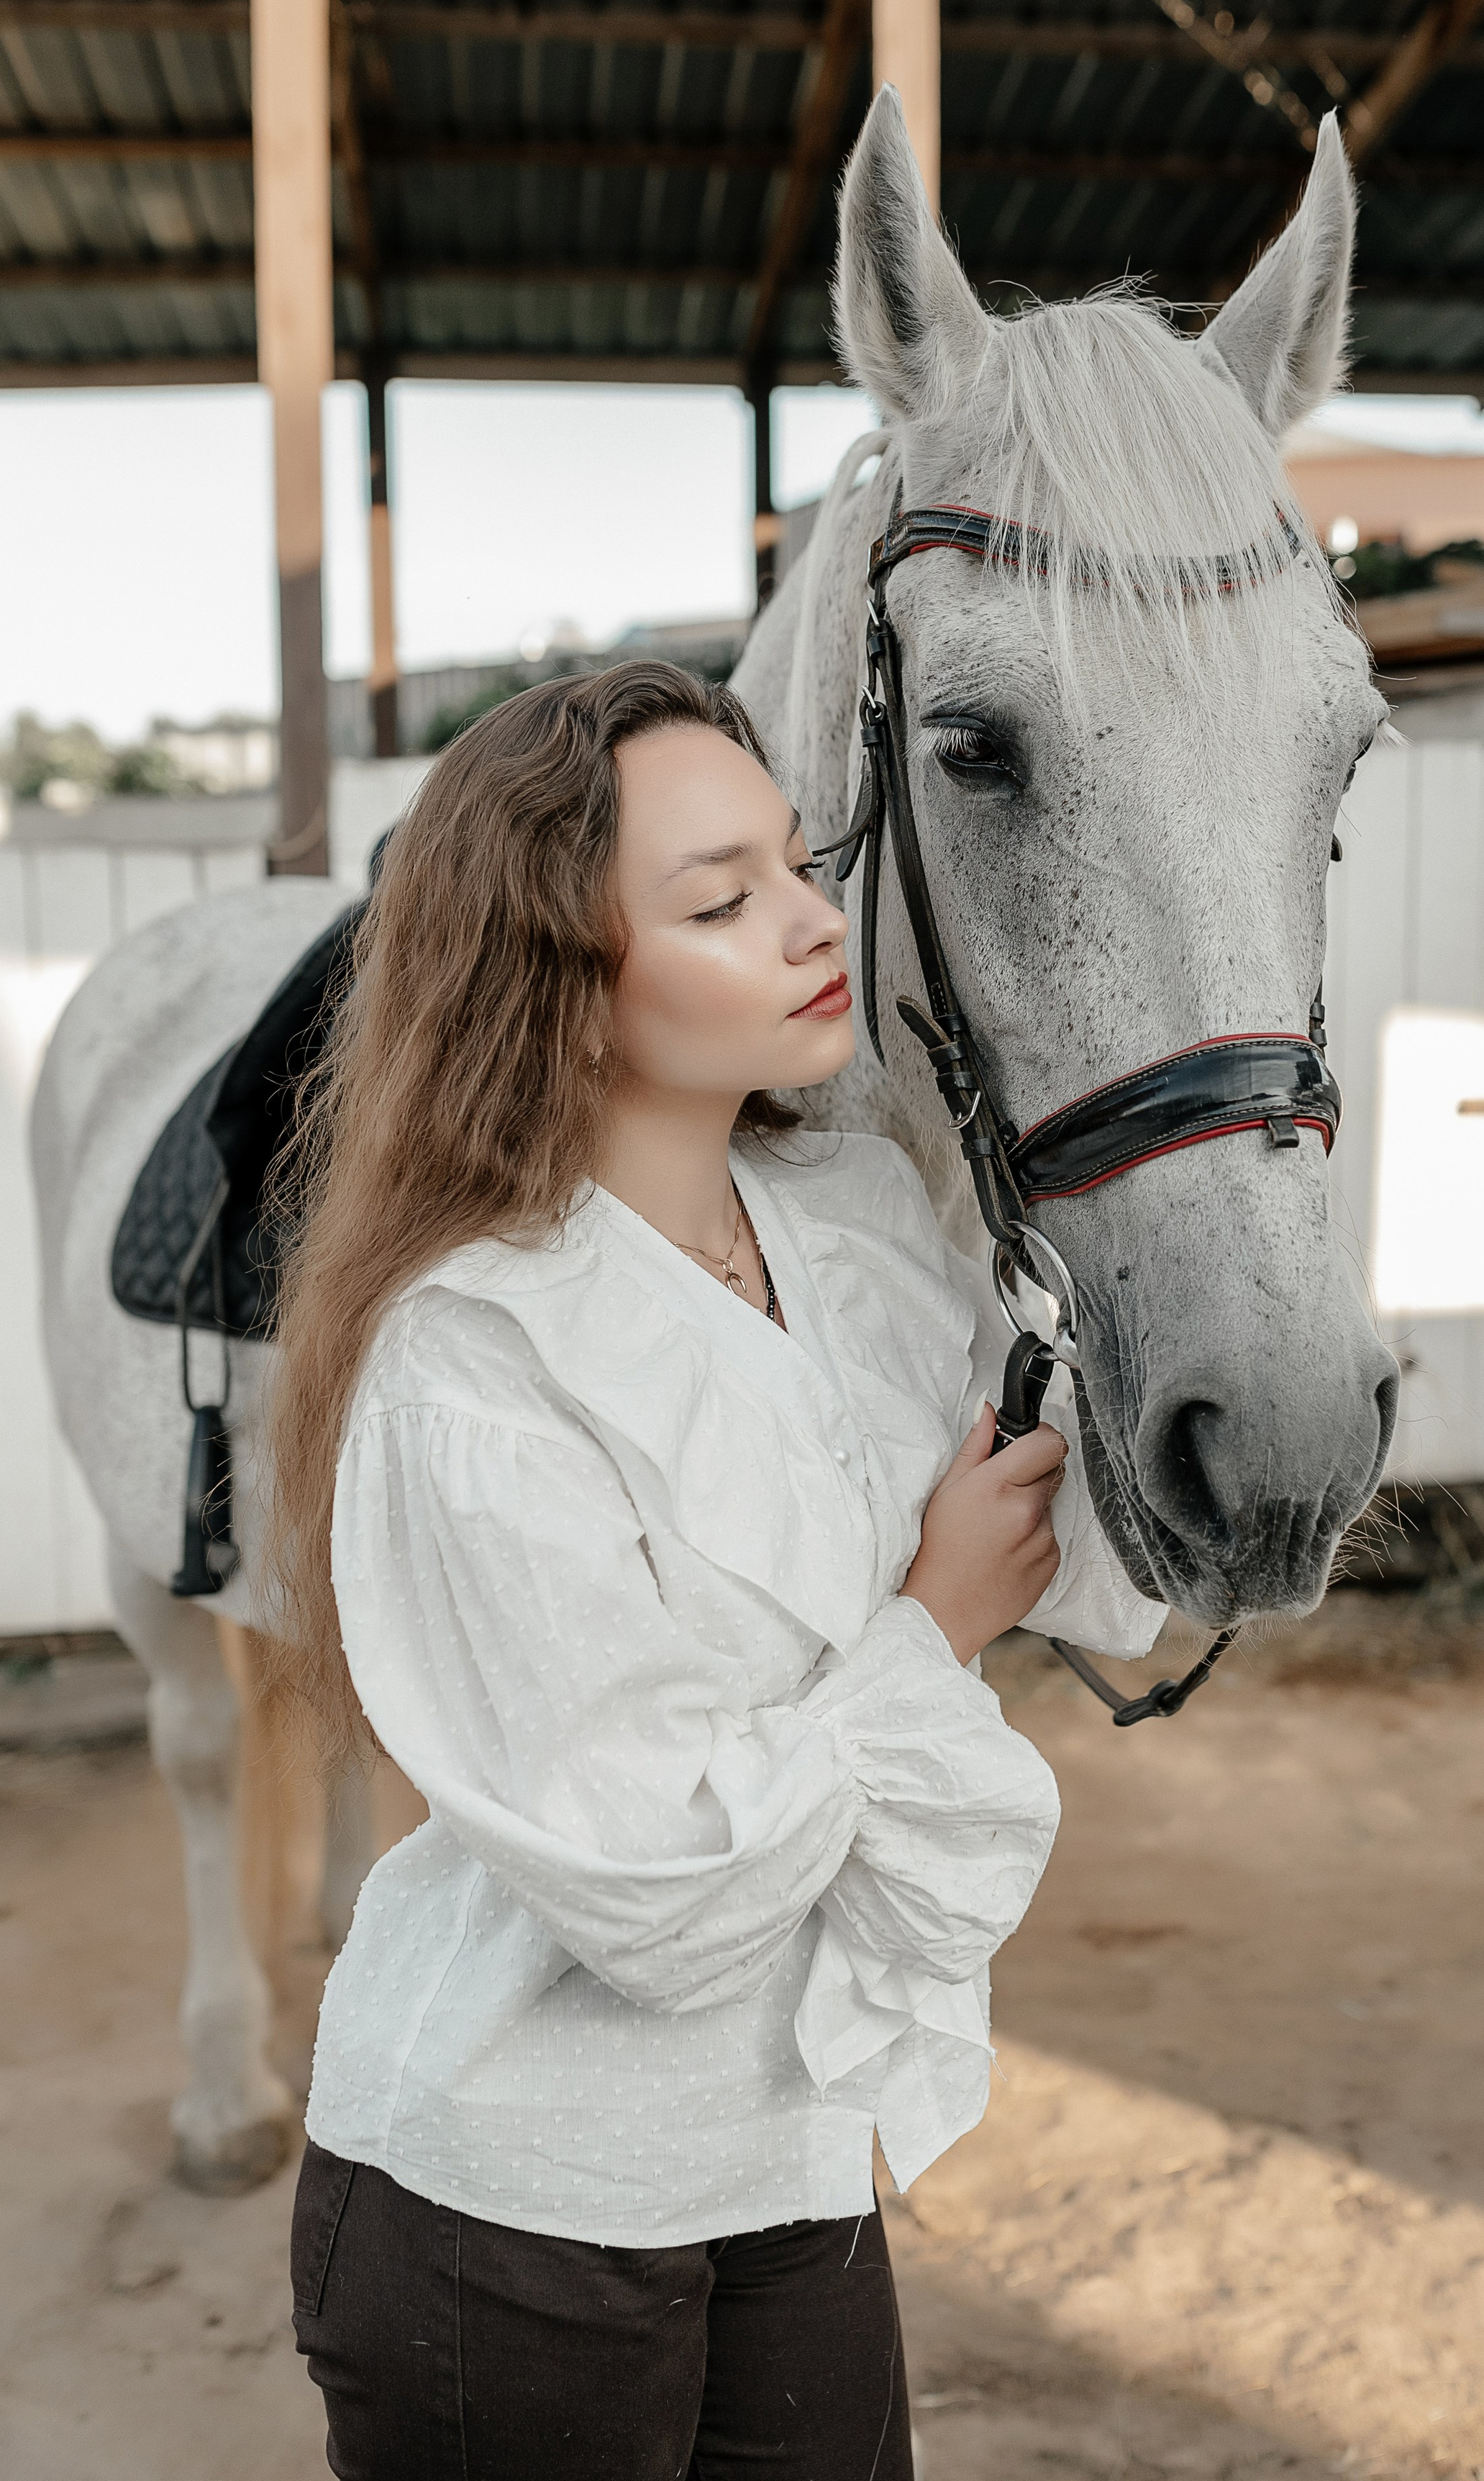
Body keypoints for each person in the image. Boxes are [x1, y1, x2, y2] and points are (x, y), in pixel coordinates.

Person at [266, 661, 1165, 2480]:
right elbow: (661, 1889)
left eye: (796, 864)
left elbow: (1087, 1560)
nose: (812, 922)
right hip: (511, 2203)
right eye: (717, 899)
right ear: (559, 984)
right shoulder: (475, 1357)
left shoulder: (850, 1226)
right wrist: (930, 1627)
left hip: (787, 2150)